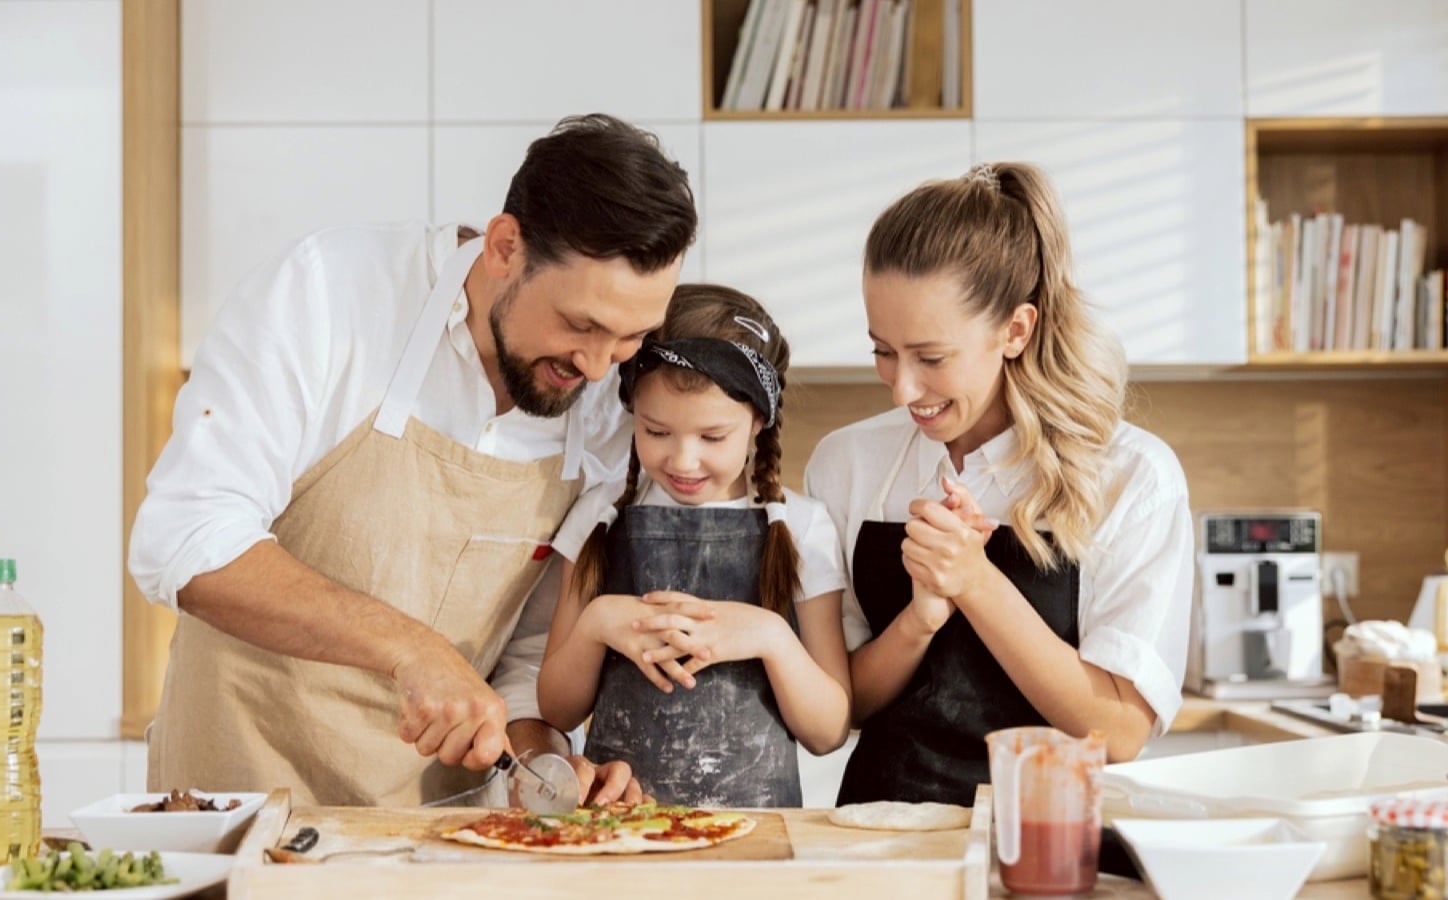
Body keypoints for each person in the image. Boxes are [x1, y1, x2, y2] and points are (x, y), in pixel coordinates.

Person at [127, 114, 699, 807]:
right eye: (580, 324)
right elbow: (184, 542)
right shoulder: (328, 297)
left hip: (434, 835)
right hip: (237, 806)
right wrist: (411, 649)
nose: (597, 364)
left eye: (629, 338)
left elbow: (524, 655)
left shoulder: (612, 408)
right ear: (504, 247)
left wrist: (546, 764)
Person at [804, 162, 1193, 806]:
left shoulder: (1130, 476)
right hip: (879, 835)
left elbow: (1120, 730)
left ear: (1015, 330)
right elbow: (842, 704)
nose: (902, 389)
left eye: (931, 358)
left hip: (1048, 840)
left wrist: (977, 582)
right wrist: (919, 619)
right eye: (882, 350)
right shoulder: (846, 464)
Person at [537, 284, 851, 807]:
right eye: (656, 431)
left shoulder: (804, 527)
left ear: (757, 421)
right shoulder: (599, 516)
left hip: (754, 846)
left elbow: (828, 731)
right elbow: (556, 710)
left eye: (712, 437)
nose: (683, 461)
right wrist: (597, 625)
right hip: (618, 833)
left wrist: (770, 636)